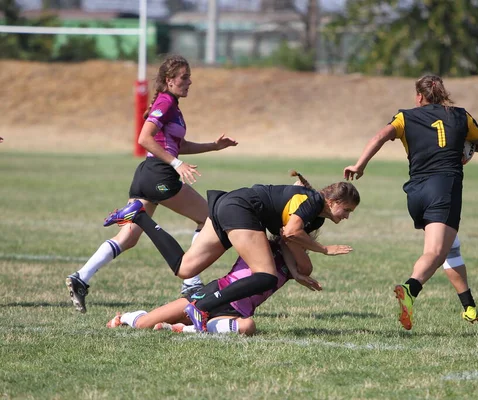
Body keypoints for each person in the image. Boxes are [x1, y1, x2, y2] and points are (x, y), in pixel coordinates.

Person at [66, 54, 238, 313]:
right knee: (209, 218)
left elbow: (178, 145)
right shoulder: (166, 102)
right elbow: (144, 138)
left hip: (146, 176)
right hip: (159, 175)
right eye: (185, 77)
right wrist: (176, 164)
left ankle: (81, 278)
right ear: (169, 81)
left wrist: (213, 147)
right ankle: (192, 284)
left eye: (189, 77)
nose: (189, 82)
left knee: (129, 237)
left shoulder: (171, 103)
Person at [103, 170, 360, 331]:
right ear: (333, 201)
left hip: (229, 205)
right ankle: (202, 307)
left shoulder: (314, 213)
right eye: (346, 210)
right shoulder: (313, 203)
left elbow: (286, 238)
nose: (347, 216)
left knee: (185, 268)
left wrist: (296, 271)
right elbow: (291, 233)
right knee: (266, 275)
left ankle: (139, 215)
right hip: (241, 209)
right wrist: (325, 249)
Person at [343, 74, 478, 330]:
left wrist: (359, 165)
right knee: (435, 252)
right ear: (442, 93)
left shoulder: (405, 116)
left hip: (416, 192)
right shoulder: (461, 116)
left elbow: (379, 136)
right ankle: (410, 289)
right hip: (443, 189)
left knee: (449, 247)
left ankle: (469, 306)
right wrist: (466, 145)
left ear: (418, 96)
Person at [106, 238, 321, 335]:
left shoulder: (296, 267)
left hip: (234, 312)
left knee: (248, 327)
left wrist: (295, 237)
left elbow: (305, 265)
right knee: (144, 324)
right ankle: (127, 317)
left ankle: (187, 330)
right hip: (211, 294)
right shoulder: (257, 241)